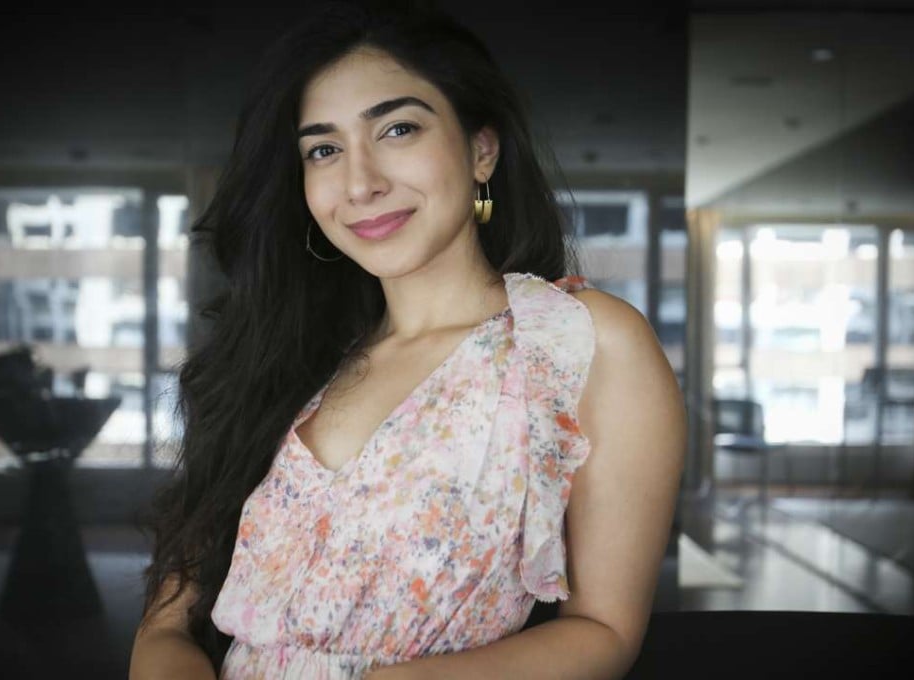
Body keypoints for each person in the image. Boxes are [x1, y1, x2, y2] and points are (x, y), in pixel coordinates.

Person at [129, 2, 686, 678]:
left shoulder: (577, 341)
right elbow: (166, 626)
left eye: (397, 129)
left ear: (481, 150)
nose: (361, 182)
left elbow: (604, 632)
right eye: (324, 149)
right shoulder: (283, 357)